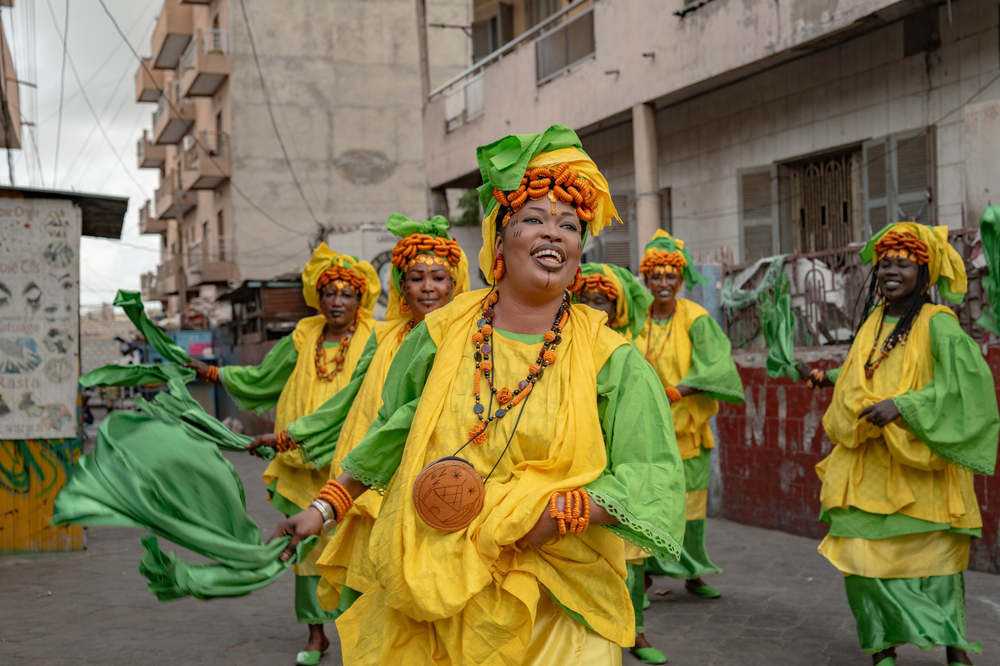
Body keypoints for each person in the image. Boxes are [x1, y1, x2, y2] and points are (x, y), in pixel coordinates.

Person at [270, 125, 687, 666]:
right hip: (437, 577)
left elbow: (651, 472)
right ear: (500, 239)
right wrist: (327, 505)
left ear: (579, 250)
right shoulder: (441, 334)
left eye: (568, 225)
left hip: (557, 591)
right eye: (533, 219)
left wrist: (569, 510)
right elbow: (396, 428)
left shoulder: (613, 357)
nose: (552, 234)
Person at [248, 213, 470, 621]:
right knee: (381, 601)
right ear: (400, 286)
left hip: (445, 486)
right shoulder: (383, 338)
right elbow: (347, 402)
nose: (428, 287)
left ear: (455, 285)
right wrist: (290, 436)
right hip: (377, 484)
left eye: (439, 277)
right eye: (416, 276)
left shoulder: (475, 339)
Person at [798, 223, 998, 666]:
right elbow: (862, 372)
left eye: (903, 263)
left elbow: (966, 387)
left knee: (940, 564)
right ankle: (881, 645)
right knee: (861, 561)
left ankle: (954, 647)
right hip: (867, 465)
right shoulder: (872, 321)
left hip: (922, 466)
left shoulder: (938, 325)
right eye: (884, 263)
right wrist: (829, 377)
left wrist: (904, 406)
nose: (891, 270)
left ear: (923, 271)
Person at [186, 246, 380, 666]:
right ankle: (316, 635)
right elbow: (262, 377)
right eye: (330, 293)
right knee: (308, 548)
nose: (338, 301)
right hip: (300, 461)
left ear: (360, 299)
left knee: (355, 550)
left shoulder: (375, 338)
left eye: (347, 294)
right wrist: (214, 373)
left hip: (351, 462)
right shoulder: (303, 336)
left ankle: (359, 633)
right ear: (319, 297)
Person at [633, 230, 744, 606]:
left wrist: (678, 391)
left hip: (688, 433)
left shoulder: (696, 318)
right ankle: (642, 576)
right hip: (643, 432)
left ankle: (693, 572)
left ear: (681, 280)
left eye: (670, 276)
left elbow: (716, 369)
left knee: (691, 509)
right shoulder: (635, 320)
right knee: (646, 503)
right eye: (656, 275)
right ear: (645, 279)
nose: (663, 283)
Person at [573, 262, 670, 664]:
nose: (595, 307)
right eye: (586, 299)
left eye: (603, 301)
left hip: (619, 474)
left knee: (629, 562)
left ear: (618, 308)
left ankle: (636, 632)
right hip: (579, 471)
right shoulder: (561, 344)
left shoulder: (625, 351)